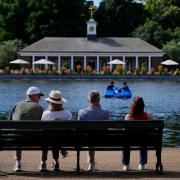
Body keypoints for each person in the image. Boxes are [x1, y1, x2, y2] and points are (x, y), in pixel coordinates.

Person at [8, 86, 44, 172]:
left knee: (17, 134)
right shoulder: (40, 108)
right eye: (39, 96)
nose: (40, 98)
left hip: (18, 139)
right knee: (45, 136)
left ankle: (18, 164)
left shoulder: (17, 105)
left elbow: (9, 122)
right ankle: (43, 164)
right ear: (34, 96)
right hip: (36, 140)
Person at [39, 90, 72, 172]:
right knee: (57, 140)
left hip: (48, 140)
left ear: (50, 102)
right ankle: (56, 162)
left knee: (48, 138)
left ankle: (43, 163)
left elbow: (43, 129)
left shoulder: (46, 113)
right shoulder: (67, 113)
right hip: (64, 140)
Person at [78, 90, 110, 172]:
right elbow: (106, 129)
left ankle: (91, 163)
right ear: (99, 100)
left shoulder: (81, 113)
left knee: (89, 136)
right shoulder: (105, 113)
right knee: (93, 137)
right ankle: (91, 163)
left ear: (88, 100)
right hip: (101, 139)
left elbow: (79, 130)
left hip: (86, 140)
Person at [122, 96, 152, 171]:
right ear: (143, 105)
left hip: (129, 141)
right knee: (144, 140)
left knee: (125, 141)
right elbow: (151, 129)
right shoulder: (148, 116)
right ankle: (142, 164)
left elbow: (124, 130)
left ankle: (126, 164)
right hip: (143, 140)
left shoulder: (128, 117)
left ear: (133, 105)